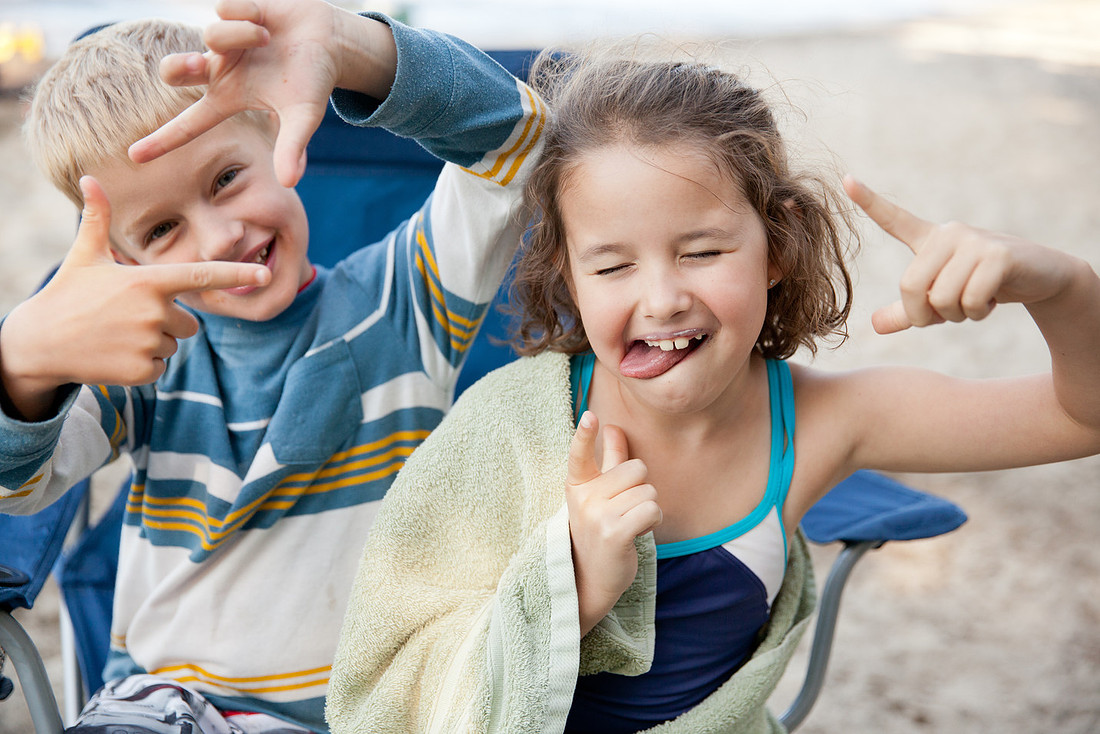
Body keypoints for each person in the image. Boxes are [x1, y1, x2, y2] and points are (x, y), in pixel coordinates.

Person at [324, 44, 1100, 734]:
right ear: (568, 274)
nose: (662, 299)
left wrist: (1062, 286)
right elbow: (388, 682)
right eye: (612, 265)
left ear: (777, 246)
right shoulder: (508, 429)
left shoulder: (824, 423)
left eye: (702, 251)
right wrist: (574, 586)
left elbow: (1079, 418)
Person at [0, 0, 545, 730]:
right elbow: (18, 483)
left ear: (277, 131)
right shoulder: (140, 361)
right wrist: (22, 362)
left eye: (226, 178)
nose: (219, 236)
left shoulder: (404, 304)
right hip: (164, 708)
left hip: (361, 712)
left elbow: (516, 143)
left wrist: (353, 49)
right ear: (123, 263)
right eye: (162, 230)